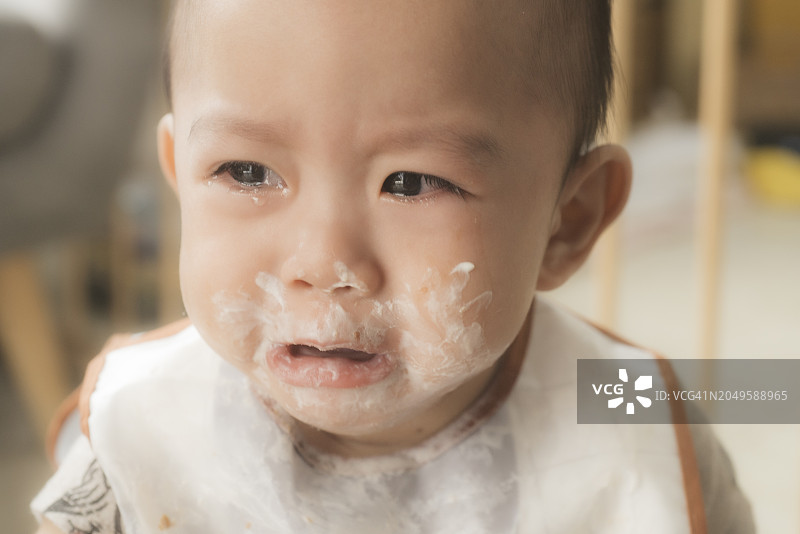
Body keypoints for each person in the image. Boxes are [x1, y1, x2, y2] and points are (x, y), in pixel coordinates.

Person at [31, 1, 755, 532]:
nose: (322, 262)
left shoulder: (632, 411)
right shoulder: (140, 423)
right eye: (246, 170)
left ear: (567, 224)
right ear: (179, 175)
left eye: (411, 182)